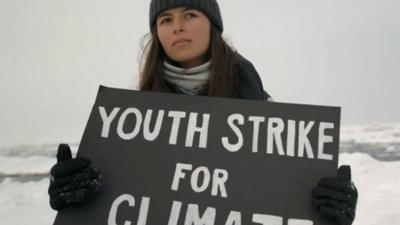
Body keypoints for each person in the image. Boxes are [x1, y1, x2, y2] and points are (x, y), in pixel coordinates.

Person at [48, 1, 358, 225]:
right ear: (157, 32)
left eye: (190, 14)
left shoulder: (267, 118)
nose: (177, 26)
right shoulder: (129, 124)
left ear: (212, 25)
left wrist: (326, 209)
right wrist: (83, 200)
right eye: (165, 19)